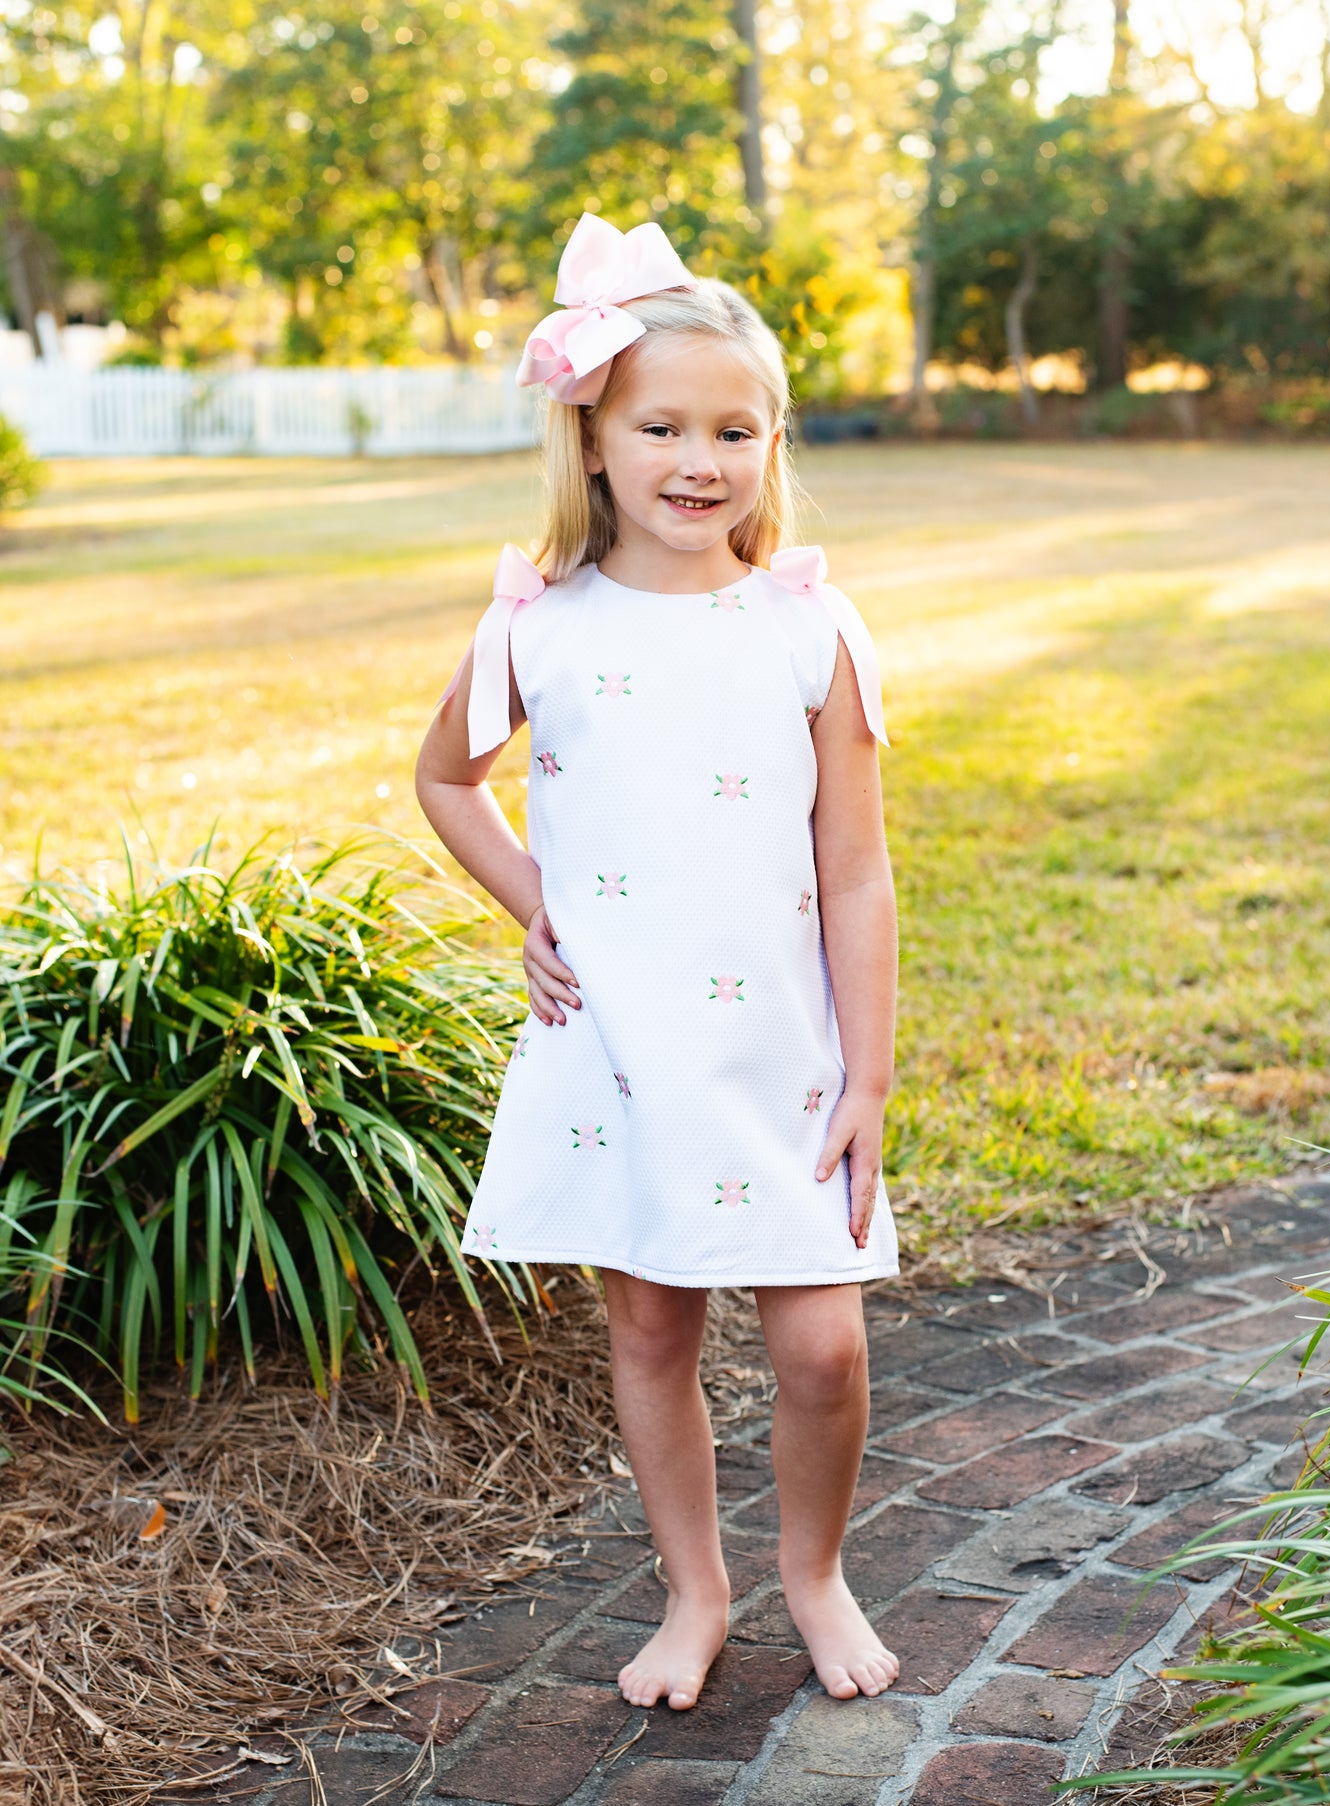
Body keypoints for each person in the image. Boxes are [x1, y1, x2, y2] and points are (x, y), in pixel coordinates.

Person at [415, 211, 901, 1713]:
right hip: (623, 1044)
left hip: (782, 1054)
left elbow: (856, 866)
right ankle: (696, 1588)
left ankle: (812, 1570)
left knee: (819, 1347)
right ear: (596, 436)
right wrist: (532, 905)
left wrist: (871, 1071)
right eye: (663, 425)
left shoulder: (809, 628)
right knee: (648, 1322)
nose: (701, 459)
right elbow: (445, 778)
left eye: (734, 429)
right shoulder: (540, 626)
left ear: (771, 443)